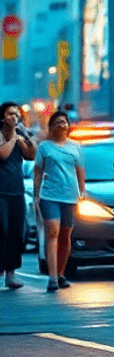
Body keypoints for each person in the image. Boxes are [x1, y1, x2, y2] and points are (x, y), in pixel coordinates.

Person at [34, 110, 84, 292]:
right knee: (52, 233)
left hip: (70, 197)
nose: (61, 125)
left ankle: (61, 274)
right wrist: (36, 194)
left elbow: (80, 171)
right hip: (49, 196)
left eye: (64, 122)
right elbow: (38, 171)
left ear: (68, 126)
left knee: (65, 235)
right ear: (51, 127)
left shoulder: (75, 147)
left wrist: (82, 192)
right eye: (57, 123)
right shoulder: (45, 147)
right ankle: (53, 277)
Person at [0, 102, 35, 289]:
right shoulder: (3, 136)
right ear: (2, 117)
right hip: (1, 193)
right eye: (10, 114)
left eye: (17, 114)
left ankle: (11, 274)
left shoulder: (19, 134)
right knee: (2, 231)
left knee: (16, 233)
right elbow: (3, 154)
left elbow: (31, 155)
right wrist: (14, 138)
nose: (15, 117)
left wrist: (27, 138)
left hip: (17, 191)